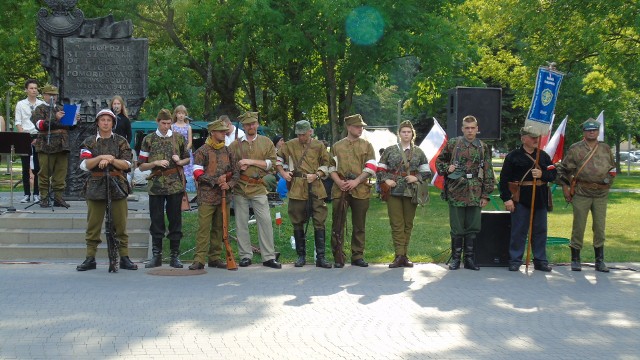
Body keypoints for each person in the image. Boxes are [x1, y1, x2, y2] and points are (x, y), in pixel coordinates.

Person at [76, 109, 137, 271]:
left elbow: (127, 164)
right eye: (102, 120)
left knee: (120, 224)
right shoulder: (89, 141)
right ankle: (90, 258)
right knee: (93, 225)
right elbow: (85, 164)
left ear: (113, 123)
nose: (105, 123)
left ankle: (124, 257)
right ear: (97, 122)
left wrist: (112, 159)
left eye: (108, 120)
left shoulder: (121, 141)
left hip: (117, 184)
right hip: (95, 185)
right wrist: (102, 157)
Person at [556, 118, 616, 272]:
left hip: (601, 193)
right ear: (584, 132)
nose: (591, 132)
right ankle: (575, 259)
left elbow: (612, 169)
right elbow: (562, 170)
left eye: (594, 130)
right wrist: (565, 187)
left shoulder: (605, 148)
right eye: (588, 130)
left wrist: (608, 182)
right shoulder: (575, 148)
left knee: (599, 227)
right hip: (582, 192)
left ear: (598, 131)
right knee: (579, 226)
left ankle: (599, 261)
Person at [436, 115, 495, 271]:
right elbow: (439, 161)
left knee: (473, 227)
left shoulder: (482, 147)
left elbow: (488, 171)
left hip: (475, 192)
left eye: (472, 128)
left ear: (477, 129)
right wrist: (446, 169)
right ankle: (456, 259)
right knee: (457, 227)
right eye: (467, 128)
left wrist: (485, 194)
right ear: (462, 129)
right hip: (456, 191)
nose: (470, 131)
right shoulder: (454, 144)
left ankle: (469, 259)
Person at [138, 109, 191, 268]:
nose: (166, 126)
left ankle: (175, 255)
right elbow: (141, 166)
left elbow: (188, 158)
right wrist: (154, 163)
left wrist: (179, 161)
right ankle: (156, 255)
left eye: (168, 123)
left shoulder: (179, 138)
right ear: (158, 122)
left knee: (175, 220)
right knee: (157, 220)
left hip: (174, 185)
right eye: (163, 123)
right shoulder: (148, 139)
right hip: (156, 185)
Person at [499, 126, 557, 272]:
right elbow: (503, 180)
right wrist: (507, 199)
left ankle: (540, 260)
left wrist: (542, 174)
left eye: (537, 137)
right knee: (519, 230)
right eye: (532, 137)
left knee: (540, 231)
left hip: (540, 198)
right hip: (520, 199)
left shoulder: (543, 156)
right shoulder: (512, 157)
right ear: (523, 138)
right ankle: (515, 259)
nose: (535, 140)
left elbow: (553, 174)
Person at [228, 111, 282, 269]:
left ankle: (268, 257)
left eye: (254, 123)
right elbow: (228, 165)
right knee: (241, 223)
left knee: (265, 222)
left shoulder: (266, 142)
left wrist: (250, 161)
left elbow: (272, 164)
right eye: (248, 124)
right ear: (243, 126)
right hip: (240, 188)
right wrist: (238, 165)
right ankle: (245, 255)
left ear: (257, 124)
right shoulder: (235, 145)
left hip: (259, 187)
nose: (251, 126)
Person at [276, 120, 332, 269]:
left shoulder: (319, 145)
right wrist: (283, 173)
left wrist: (317, 174)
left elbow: (327, 164)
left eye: (304, 134)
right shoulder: (289, 144)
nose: (301, 137)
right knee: (297, 220)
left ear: (310, 132)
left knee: (319, 220)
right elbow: (278, 159)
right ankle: (301, 256)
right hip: (297, 187)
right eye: (299, 134)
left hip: (315, 186)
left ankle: (321, 257)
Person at [378, 120, 430, 268]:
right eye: (403, 132)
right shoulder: (390, 150)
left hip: (411, 192)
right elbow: (380, 169)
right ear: (399, 134)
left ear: (412, 134)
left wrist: (416, 177)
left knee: (408, 224)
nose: (406, 134)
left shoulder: (418, 152)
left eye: (409, 132)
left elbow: (426, 171)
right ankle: (399, 255)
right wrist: (386, 180)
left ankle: (404, 255)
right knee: (397, 224)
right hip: (394, 191)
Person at [329, 114, 377, 268]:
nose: (360, 129)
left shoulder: (367, 146)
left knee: (359, 225)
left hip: (361, 189)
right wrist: (338, 181)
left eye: (362, 126)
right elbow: (330, 166)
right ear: (348, 127)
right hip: (340, 189)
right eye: (357, 126)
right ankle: (338, 255)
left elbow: (371, 167)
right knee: (338, 223)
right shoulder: (337, 146)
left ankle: (357, 255)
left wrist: (356, 181)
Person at [188, 119, 238, 270]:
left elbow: (236, 172)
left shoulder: (229, 151)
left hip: (224, 196)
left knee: (219, 227)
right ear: (213, 132)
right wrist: (216, 181)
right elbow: (197, 173)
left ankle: (215, 258)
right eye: (221, 131)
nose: (224, 133)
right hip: (206, 196)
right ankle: (199, 259)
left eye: (224, 131)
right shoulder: (202, 151)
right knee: (203, 228)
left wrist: (228, 184)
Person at [30, 84, 70, 208]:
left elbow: (68, 127)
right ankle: (44, 198)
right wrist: (55, 118)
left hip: (62, 145)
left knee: (60, 173)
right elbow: (40, 125)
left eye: (55, 95)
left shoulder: (61, 108)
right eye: (50, 95)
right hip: (46, 144)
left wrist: (74, 120)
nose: (53, 97)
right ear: (44, 95)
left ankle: (58, 198)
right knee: (44, 173)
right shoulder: (39, 109)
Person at [14, 79, 45, 203]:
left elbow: (44, 122)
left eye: (36, 88)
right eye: (31, 88)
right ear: (26, 90)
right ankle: (27, 194)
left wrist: (38, 137)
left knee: (38, 166)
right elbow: (18, 122)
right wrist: (24, 136)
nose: (34, 90)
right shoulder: (20, 104)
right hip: (25, 136)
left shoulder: (42, 104)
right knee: (25, 166)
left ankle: (37, 193)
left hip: (38, 136)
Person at [171, 105, 195, 191]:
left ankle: (188, 189)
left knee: (187, 173)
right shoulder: (172, 126)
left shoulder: (188, 127)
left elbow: (190, 141)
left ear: (185, 115)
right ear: (176, 114)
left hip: (186, 152)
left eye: (183, 113)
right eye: (179, 113)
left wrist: (185, 150)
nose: (181, 115)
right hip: (175, 152)